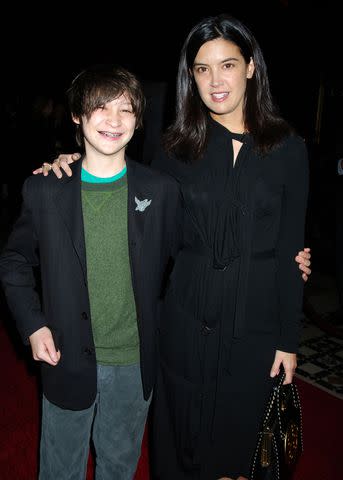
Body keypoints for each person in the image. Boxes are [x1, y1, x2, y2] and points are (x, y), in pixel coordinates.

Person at [34, 16, 312, 480]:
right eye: (202, 69)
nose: (216, 80)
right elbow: (124, 194)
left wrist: (288, 338)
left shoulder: (288, 149)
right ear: (191, 77)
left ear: (251, 68)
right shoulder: (175, 148)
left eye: (227, 64)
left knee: (241, 457)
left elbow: (291, 248)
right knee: (184, 457)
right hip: (184, 324)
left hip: (256, 330)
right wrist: (70, 164)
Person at [0, 64, 181, 480]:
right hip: (66, 355)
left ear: (139, 119)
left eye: (126, 109)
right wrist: (33, 325)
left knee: (118, 468)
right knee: (59, 470)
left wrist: (285, 256)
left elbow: (188, 258)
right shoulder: (46, 188)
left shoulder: (161, 190)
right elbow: (13, 261)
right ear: (78, 116)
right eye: (101, 107)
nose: (114, 120)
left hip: (134, 362)